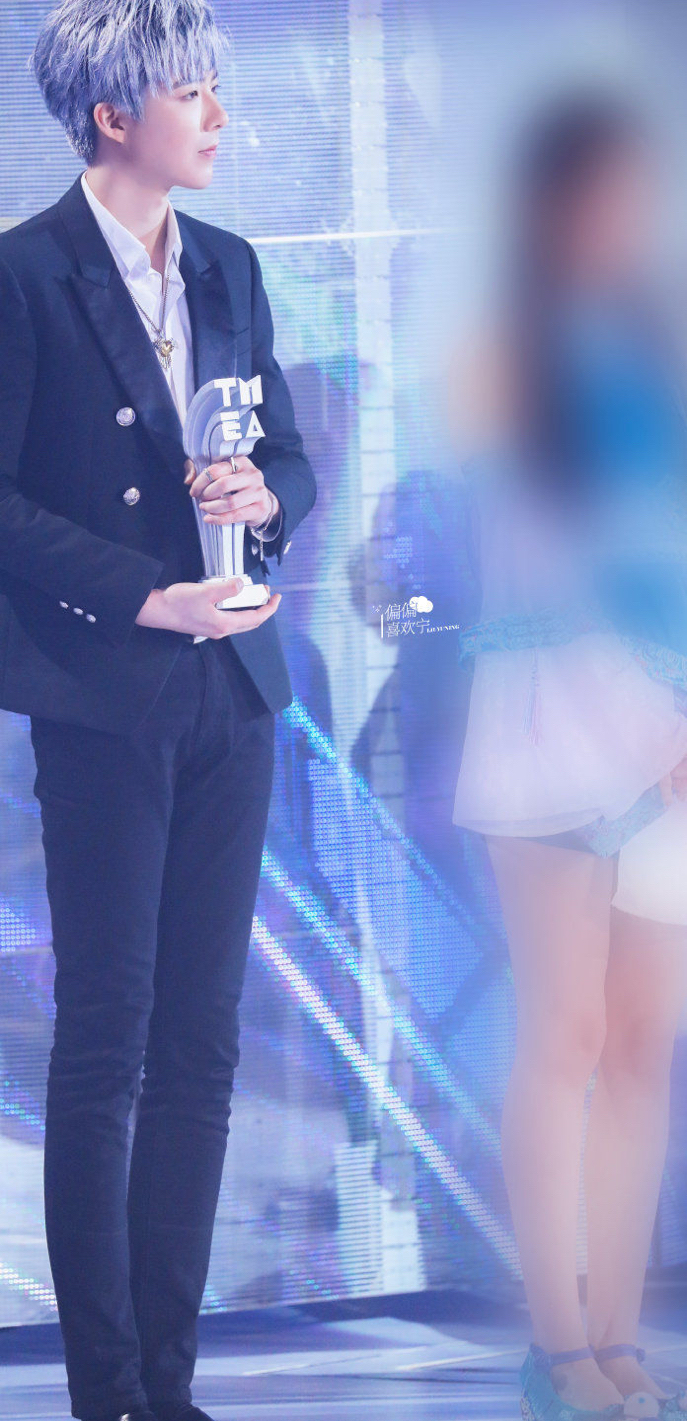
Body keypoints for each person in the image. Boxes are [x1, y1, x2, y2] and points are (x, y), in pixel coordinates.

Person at [0, 3, 316, 1418]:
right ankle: (108, 1393)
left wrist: (262, 498)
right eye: (191, 91)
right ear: (112, 115)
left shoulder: (229, 263)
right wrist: (145, 595)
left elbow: (287, 457)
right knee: (108, 1041)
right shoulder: (12, 275)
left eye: (215, 88)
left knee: (203, 1046)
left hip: (233, 686)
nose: (216, 115)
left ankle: (171, 1384)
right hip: (102, 689)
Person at [451, 93, 687, 1421]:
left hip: (672, 730)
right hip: (555, 722)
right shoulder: (505, 355)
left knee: (646, 1040)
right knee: (568, 1033)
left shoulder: (652, 350)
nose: (621, 218)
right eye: (598, 191)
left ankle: (615, 1331)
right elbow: (540, 560)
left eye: (633, 193)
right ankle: (556, 1345)